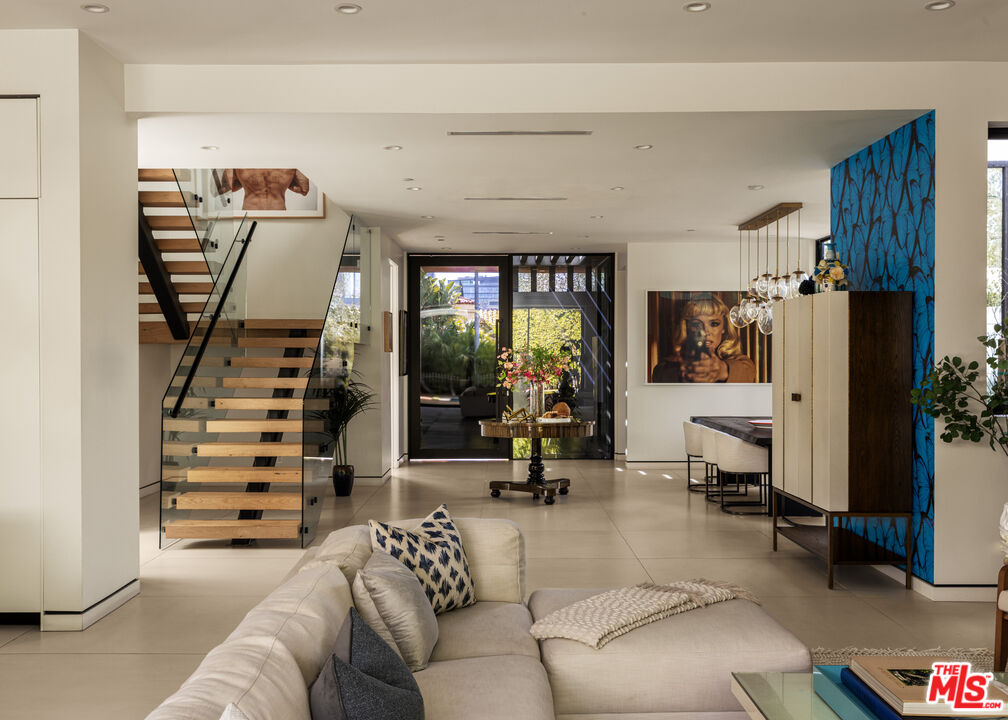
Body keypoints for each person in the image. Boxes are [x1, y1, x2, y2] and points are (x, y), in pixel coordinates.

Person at [651, 293, 756, 383]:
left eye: (714, 324)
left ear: (724, 327)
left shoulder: (742, 363)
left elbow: (746, 372)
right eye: (697, 325)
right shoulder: (666, 366)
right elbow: (661, 375)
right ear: (687, 328)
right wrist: (683, 370)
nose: (706, 332)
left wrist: (721, 370)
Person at [221, 168, 310, 211]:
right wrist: (281, 183)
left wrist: (246, 182)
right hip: (279, 215)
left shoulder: (240, 161)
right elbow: (303, 189)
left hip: (249, 215)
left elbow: (225, 188)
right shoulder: (289, 161)